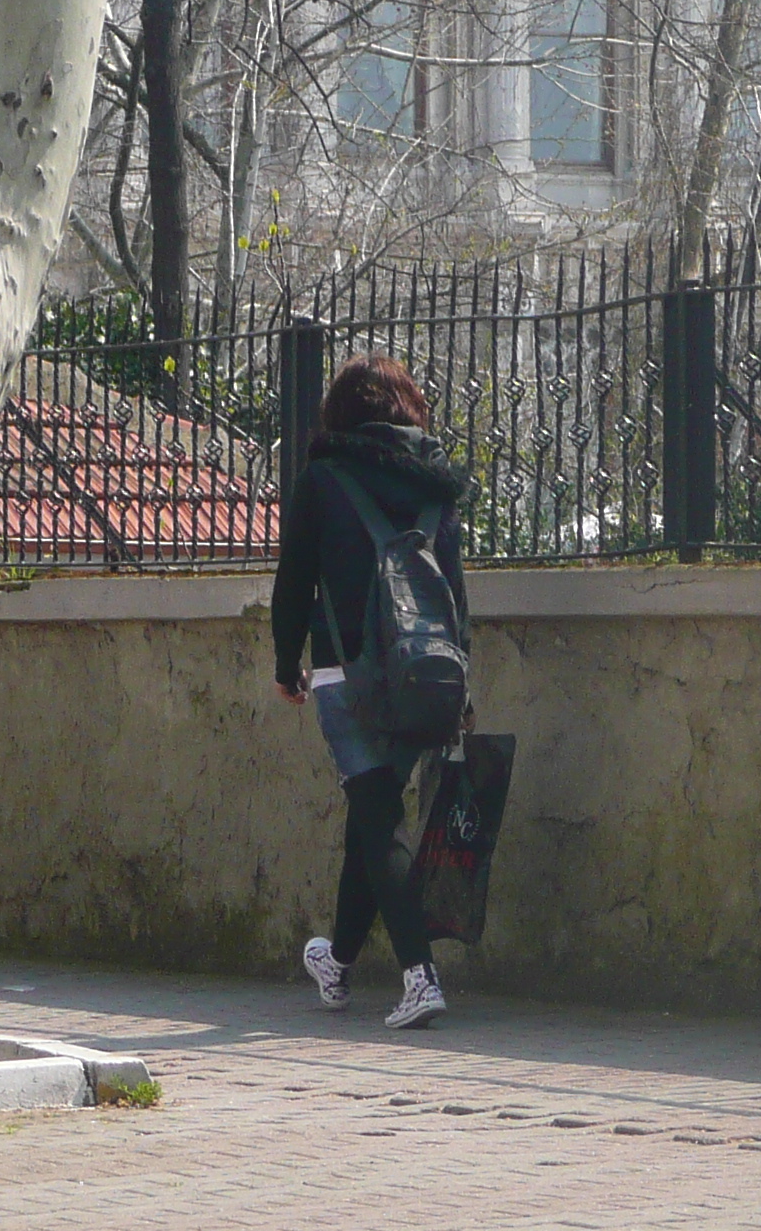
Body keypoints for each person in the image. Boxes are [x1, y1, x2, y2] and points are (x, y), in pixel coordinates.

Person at [270, 356, 472, 1029]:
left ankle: (419, 976)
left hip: (344, 673)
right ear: (409, 407)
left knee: (379, 818)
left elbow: (294, 580)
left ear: (340, 414)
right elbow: (454, 593)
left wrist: (284, 662)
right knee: (372, 819)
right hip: (424, 675)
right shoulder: (434, 486)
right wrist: (459, 677)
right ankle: (337, 961)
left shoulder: (323, 480)